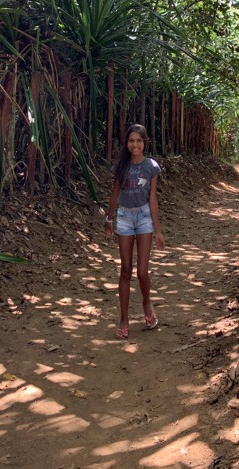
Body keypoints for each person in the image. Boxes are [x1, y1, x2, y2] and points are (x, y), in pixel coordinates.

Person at [104, 124, 165, 339]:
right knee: (126, 270)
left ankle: (147, 304)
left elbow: (153, 198)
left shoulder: (151, 167)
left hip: (144, 217)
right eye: (131, 141)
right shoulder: (121, 166)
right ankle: (123, 318)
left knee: (141, 272)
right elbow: (115, 192)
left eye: (139, 141)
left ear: (144, 143)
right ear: (127, 143)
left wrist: (158, 231)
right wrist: (109, 218)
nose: (135, 145)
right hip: (125, 217)